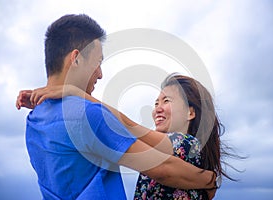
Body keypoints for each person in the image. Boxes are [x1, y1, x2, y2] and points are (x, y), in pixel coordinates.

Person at [16, 14, 218, 200]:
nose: (100, 74)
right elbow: (162, 167)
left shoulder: (34, 119)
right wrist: (211, 181)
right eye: (98, 62)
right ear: (76, 58)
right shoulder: (87, 115)